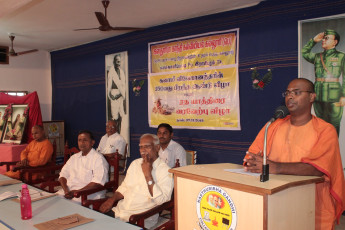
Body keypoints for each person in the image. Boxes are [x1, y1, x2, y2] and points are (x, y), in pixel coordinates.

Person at [243, 78, 345, 230]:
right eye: (288, 93)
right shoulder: (273, 126)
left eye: (297, 93)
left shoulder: (325, 130)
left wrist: (276, 167)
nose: (290, 97)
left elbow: (318, 168)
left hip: (313, 206)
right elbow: (251, 156)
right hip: (276, 202)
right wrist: (252, 163)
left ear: (312, 97)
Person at [99, 134, 174, 228]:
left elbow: (161, 200)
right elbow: (124, 187)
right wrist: (111, 199)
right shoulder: (135, 163)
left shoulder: (166, 171)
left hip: (140, 219)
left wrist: (148, 175)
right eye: (141, 147)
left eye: (147, 146)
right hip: (119, 212)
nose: (143, 150)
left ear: (157, 147)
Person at [302, 29, 345, 135]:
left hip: (334, 96)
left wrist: (344, 95)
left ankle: (332, 150)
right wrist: (314, 41)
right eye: (323, 38)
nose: (323, 40)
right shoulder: (317, 56)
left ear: (335, 42)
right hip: (318, 95)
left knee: (333, 125)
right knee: (320, 125)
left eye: (327, 38)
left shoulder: (341, 56)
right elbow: (304, 52)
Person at [57, 130, 109, 203]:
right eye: (79, 140)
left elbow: (97, 182)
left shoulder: (98, 159)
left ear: (92, 142)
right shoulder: (74, 157)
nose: (82, 143)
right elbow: (62, 175)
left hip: (88, 195)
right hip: (68, 192)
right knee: (51, 203)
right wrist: (66, 191)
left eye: (85, 140)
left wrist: (77, 192)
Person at [107, 54, 126, 133]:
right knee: (114, 116)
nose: (118, 63)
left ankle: (121, 131)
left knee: (122, 114)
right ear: (114, 61)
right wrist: (111, 95)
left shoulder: (121, 72)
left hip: (120, 94)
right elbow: (109, 85)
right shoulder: (111, 72)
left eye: (119, 62)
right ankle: (115, 132)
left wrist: (120, 94)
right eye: (117, 61)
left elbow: (124, 85)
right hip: (113, 93)